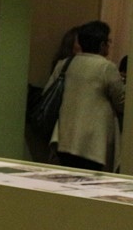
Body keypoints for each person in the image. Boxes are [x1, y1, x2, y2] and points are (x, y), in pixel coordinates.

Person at [47, 20, 124, 171]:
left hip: (65, 138)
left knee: (67, 178)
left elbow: (49, 90)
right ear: (102, 45)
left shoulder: (65, 63)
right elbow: (121, 102)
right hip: (93, 144)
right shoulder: (106, 67)